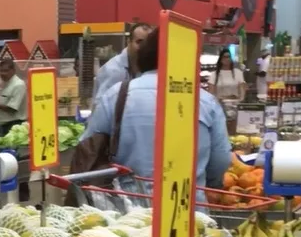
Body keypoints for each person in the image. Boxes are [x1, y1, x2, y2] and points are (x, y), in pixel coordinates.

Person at [79, 27, 232, 204]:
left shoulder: (116, 95)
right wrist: (205, 184)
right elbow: (221, 160)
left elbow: (87, 147)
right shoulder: (206, 102)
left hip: (129, 212)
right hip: (186, 208)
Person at [93, 23, 151, 107]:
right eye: (139, 42)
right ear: (128, 42)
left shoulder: (147, 68)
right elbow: (100, 107)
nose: (144, 47)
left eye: (147, 43)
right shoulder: (113, 70)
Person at [0, 58, 28, 131]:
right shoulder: (7, 83)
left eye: (5, 71)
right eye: (1, 71)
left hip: (15, 125)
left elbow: (12, 109)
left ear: (13, 71)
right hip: (5, 124)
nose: (2, 74)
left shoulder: (18, 85)